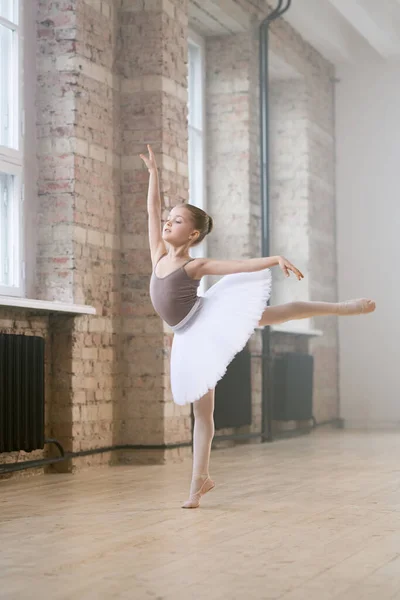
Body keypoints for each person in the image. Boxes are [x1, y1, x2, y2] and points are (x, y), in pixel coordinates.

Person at [140, 145, 376, 509]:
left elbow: (238, 265)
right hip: (186, 336)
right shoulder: (157, 253)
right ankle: (200, 481)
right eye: (169, 218)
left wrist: (274, 258)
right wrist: (154, 175)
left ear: (192, 235)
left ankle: (342, 308)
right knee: (202, 413)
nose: (168, 222)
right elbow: (151, 211)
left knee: (277, 313)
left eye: (178, 221)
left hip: (205, 320)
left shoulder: (194, 266)